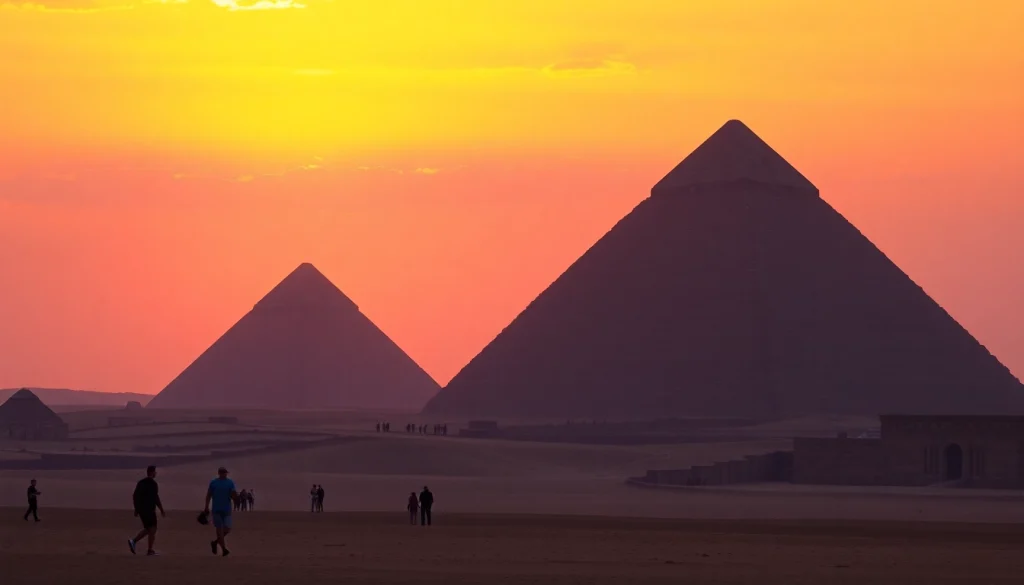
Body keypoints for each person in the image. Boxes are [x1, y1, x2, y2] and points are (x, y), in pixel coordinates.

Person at [129, 465, 165, 556]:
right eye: (155, 472)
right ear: (152, 472)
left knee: (149, 529)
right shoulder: (153, 484)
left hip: (142, 510)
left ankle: (135, 542)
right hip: (149, 510)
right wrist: (161, 509)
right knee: (153, 528)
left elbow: (135, 496)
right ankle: (148, 549)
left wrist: (136, 509)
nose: (156, 473)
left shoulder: (141, 483)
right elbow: (156, 498)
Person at [204, 466, 238, 557]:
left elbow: (233, 494)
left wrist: (235, 500)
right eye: (223, 473)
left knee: (227, 528)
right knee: (219, 529)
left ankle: (215, 542)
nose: (225, 474)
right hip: (216, 509)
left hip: (227, 509)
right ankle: (223, 549)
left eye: (226, 473)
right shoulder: (214, 483)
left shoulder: (230, 483)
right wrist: (206, 507)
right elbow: (209, 495)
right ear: (219, 473)